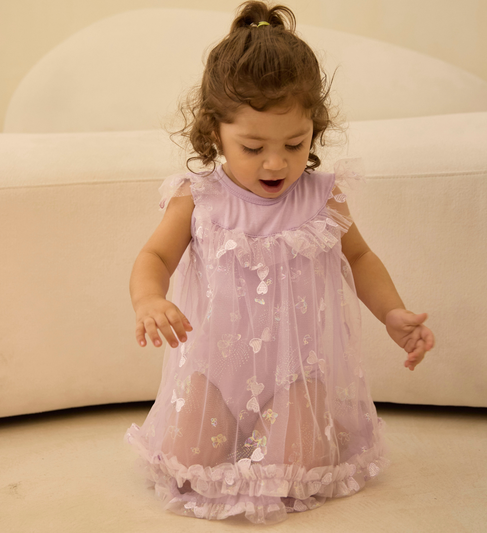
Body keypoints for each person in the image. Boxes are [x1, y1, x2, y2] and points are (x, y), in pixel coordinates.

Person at [125, 1, 434, 524]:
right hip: (214, 372)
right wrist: (148, 298)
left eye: (295, 143)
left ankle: (291, 426)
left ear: (314, 127)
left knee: (296, 470)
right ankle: (231, 426)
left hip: (296, 376)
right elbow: (154, 255)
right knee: (185, 465)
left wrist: (393, 313)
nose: (276, 162)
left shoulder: (322, 197)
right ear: (214, 132)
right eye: (252, 147)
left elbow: (359, 257)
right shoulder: (199, 197)